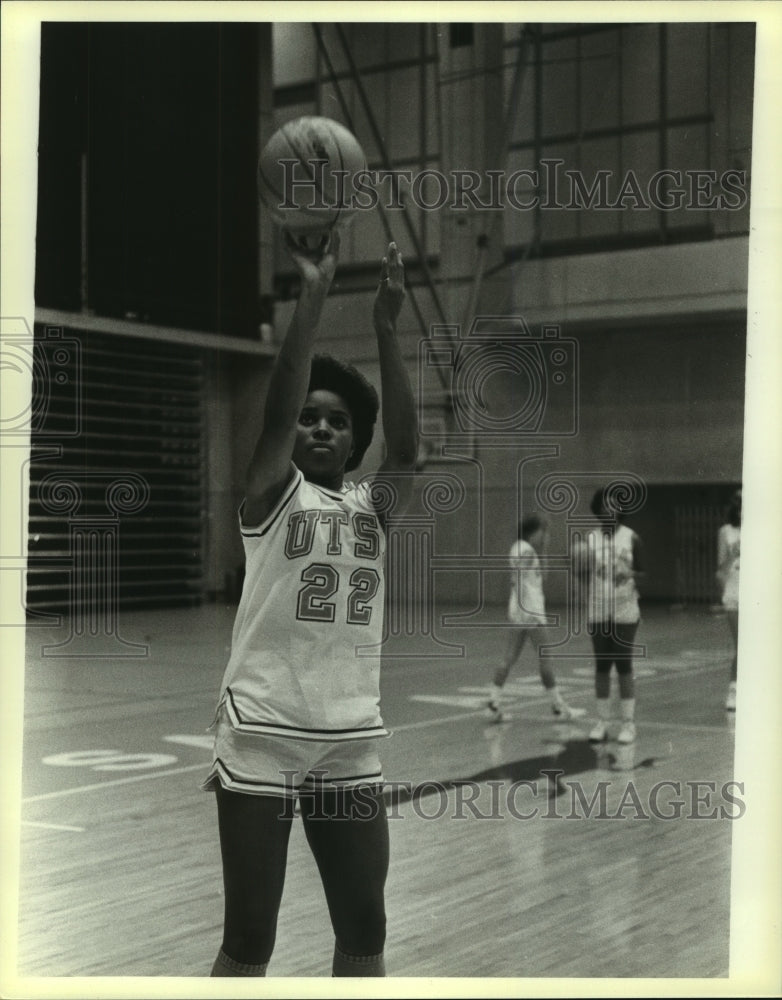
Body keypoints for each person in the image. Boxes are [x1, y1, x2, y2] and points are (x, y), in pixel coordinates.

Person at [202, 234, 418, 978]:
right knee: (251, 937)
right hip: (264, 729)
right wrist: (315, 297)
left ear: (355, 440)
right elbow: (276, 409)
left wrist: (388, 326)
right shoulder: (271, 491)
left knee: (366, 924)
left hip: (348, 737)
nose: (320, 426)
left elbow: (410, 452)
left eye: (338, 421)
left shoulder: (370, 508)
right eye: (309, 417)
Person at [486, 513, 583, 723]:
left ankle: (493, 702)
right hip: (531, 612)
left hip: (519, 612)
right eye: (542, 531)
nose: (544, 536)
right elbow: (523, 570)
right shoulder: (524, 549)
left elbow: (542, 576)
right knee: (545, 660)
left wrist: (544, 547)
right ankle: (558, 708)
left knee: (509, 658)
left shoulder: (524, 548)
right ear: (533, 531)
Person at [577, 486, 644, 745]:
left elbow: (646, 574)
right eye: (605, 505)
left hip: (625, 608)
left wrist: (631, 575)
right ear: (598, 509)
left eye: (614, 504)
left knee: (623, 664)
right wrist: (575, 566)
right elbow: (581, 574)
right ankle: (602, 722)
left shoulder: (632, 538)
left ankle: (628, 724)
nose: (609, 509)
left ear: (620, 508)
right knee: (602, 666)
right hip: (598, 609)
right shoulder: (589, 540)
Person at [716, 487, 741, 711]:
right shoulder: (726, 532)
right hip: (735, 594)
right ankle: (733, 691)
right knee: (741, 646)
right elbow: (720, 568)